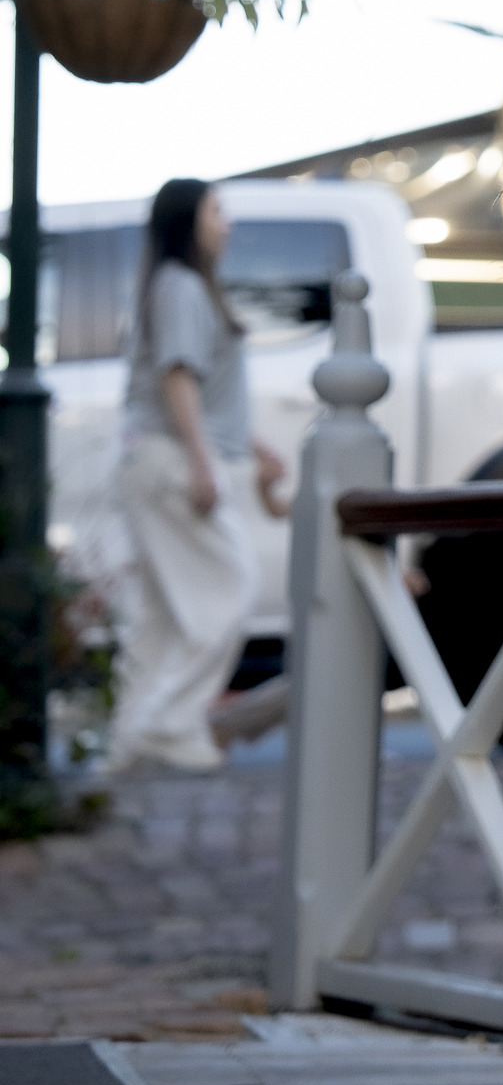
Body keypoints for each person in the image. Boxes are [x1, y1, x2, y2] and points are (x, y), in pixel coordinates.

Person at [105, 179, 288, 775]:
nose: (226, 222)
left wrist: (253, 447)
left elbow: (202, 392)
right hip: (169, 461)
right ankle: (169, 723)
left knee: (159, 617)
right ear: (188, 221)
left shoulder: (174, 285)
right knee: (232, 585)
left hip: (154, 458)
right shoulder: (180, 285)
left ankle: (125, 750)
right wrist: (204, 462)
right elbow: (177, 377)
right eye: (216, 210)